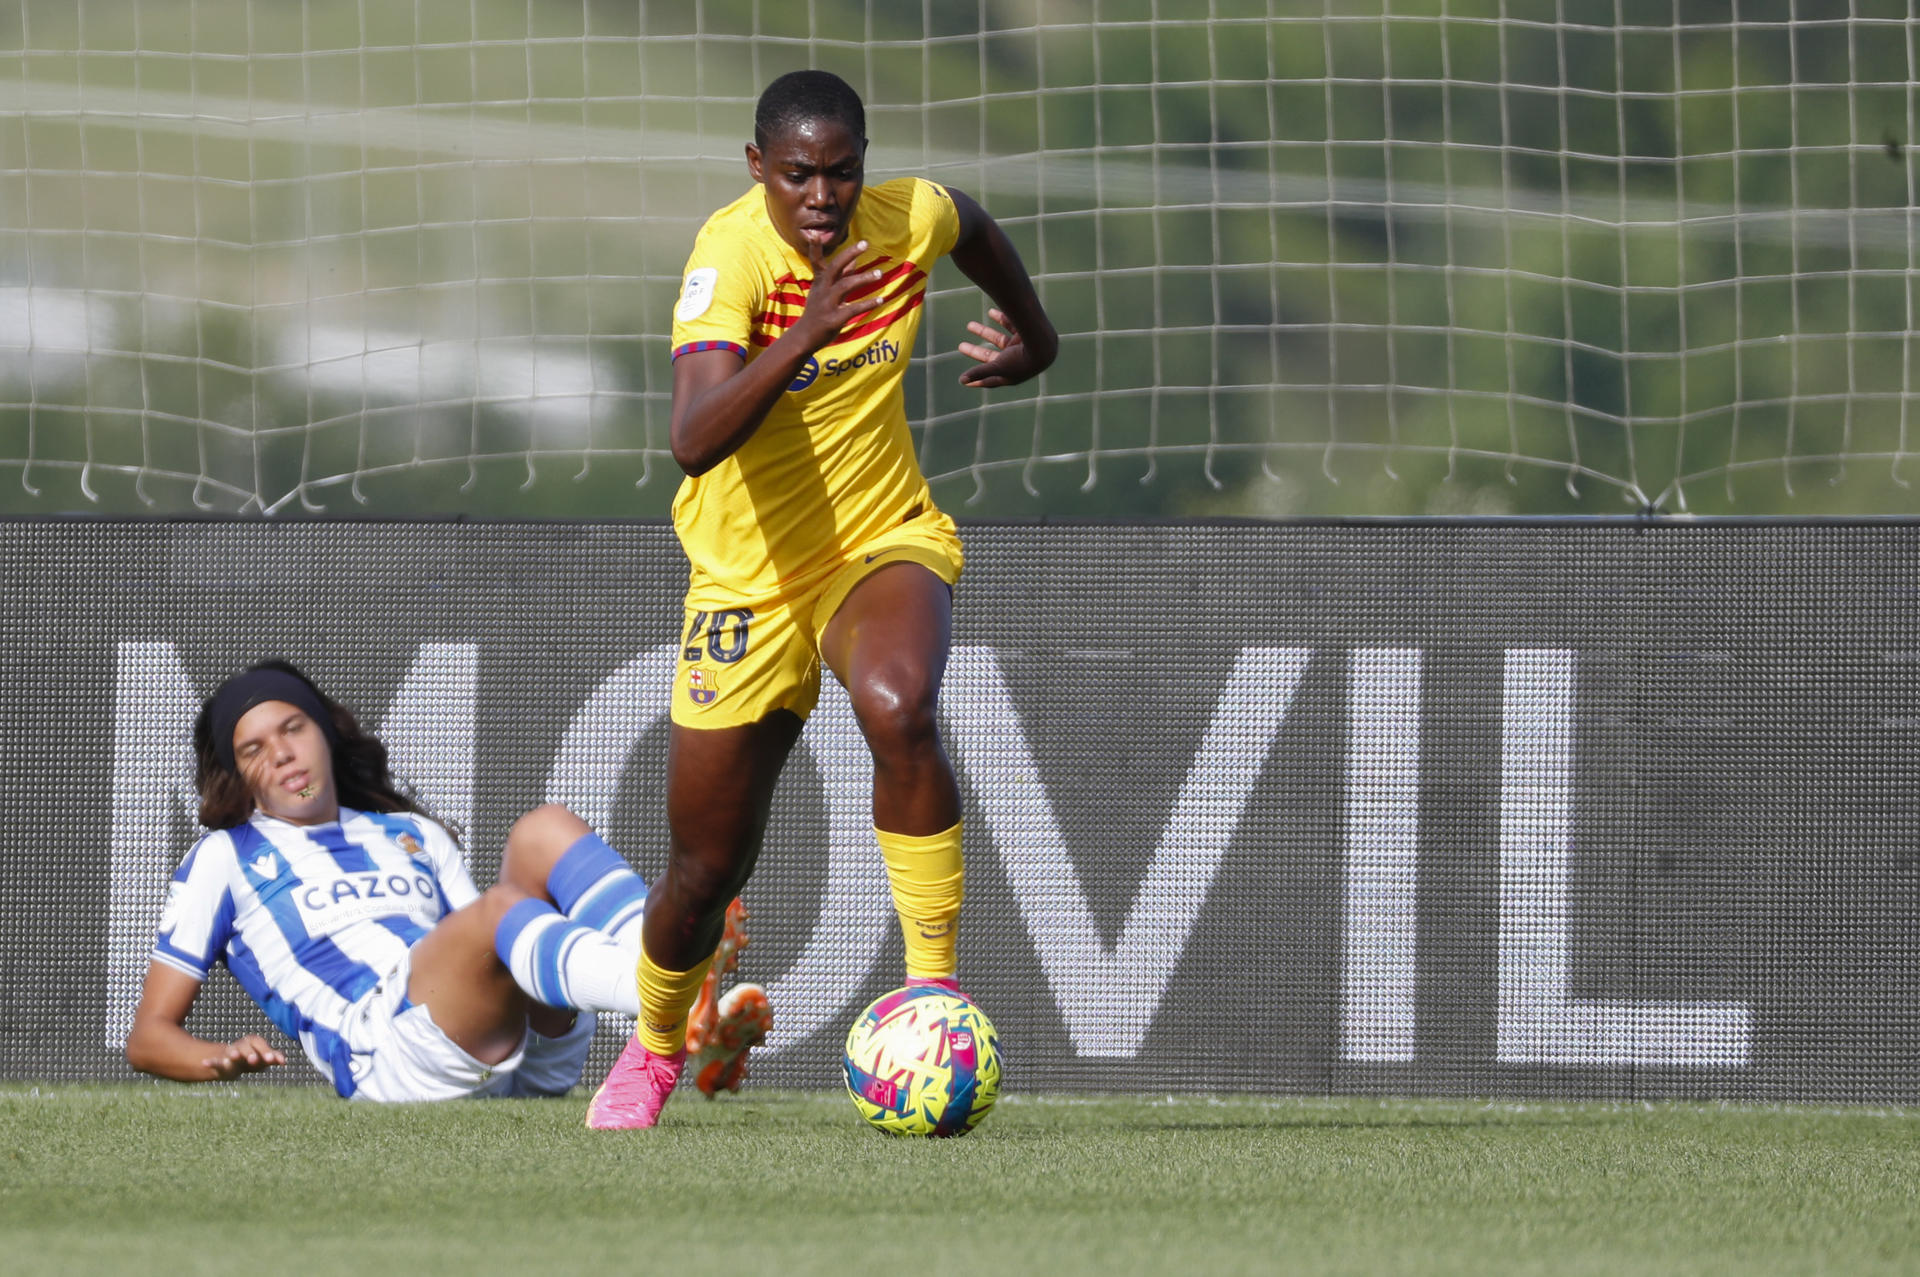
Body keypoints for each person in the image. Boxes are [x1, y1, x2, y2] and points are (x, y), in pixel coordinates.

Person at [586, 69, 1057, 1128]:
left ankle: (931, 990)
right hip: (746, 582)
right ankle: (657, 1050)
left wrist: (1035, 330)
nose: (823, 195)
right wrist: (808, 331)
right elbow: (693, 439)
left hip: (875, 543)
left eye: (842, 172)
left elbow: (970, 222)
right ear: (758, 168)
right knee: (704, 870)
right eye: (798, 172)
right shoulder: (730, 260)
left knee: (900, 705)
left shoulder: (905, 218)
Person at [124, 659, 771, 1102]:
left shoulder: (410, 834)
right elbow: (149, 1036)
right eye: (253, 748)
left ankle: (673, 990)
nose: (282, 753)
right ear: (235, 776)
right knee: (497, 914)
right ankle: (676, 997)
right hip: (387, 1053)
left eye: (292, 727)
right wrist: (215, 1058)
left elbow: (496, 950)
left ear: (323, 729)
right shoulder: (224, 857)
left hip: (496, 1048)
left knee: (542, 829)